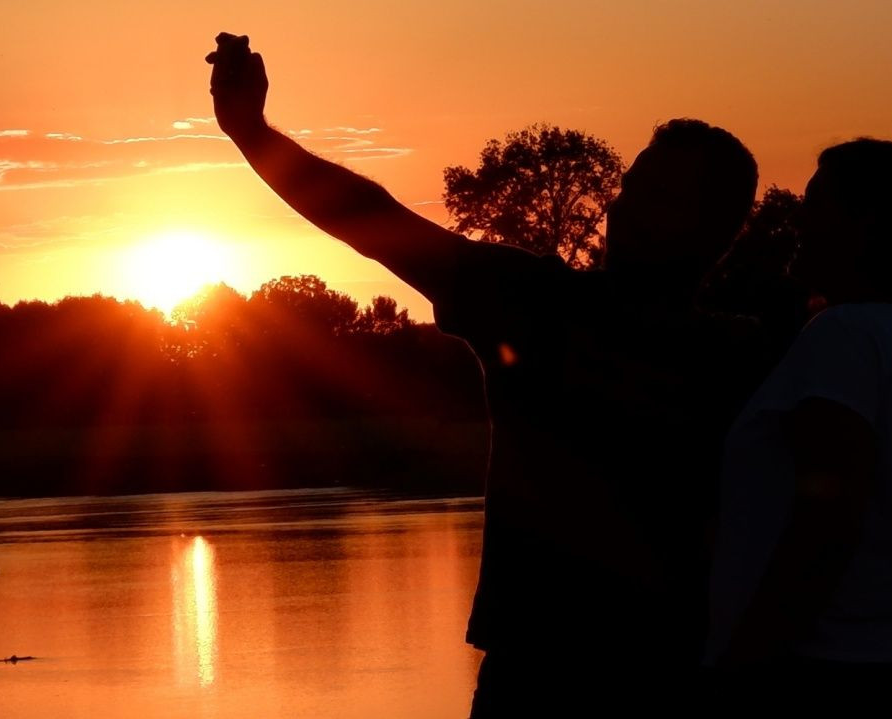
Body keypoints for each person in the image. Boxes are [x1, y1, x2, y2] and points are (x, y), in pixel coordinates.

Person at [206, 33, 780, 716]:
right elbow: (371, 218)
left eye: (656, 193)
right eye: (632, 182)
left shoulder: (751, 360)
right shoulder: (529, 299)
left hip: (672, 671)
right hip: (536, 672)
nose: (624, 203)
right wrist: (252, 134)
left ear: (711, 227)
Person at [706, 139, 892, 717]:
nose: (796, 219)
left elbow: (827, 513)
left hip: (835, 675)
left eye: (815, 204)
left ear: (866, 225)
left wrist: (742, 664)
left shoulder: (845, 335)